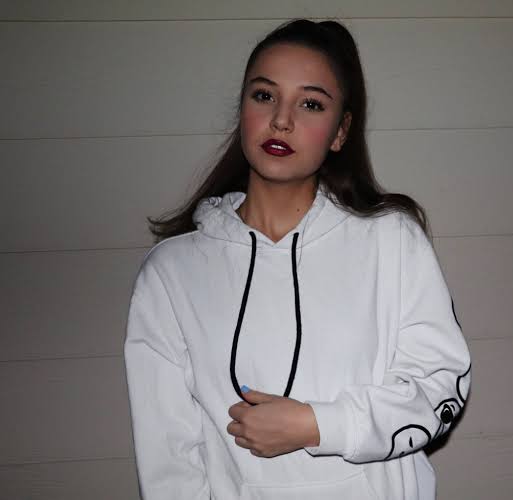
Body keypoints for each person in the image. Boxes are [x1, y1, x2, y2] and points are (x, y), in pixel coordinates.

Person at [124, 18, 471, 500]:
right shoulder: (172, 272)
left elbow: (439, 386)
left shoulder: (391, 239)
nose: (281, 120)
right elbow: (168, 460)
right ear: (242, 110)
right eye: (264, 95)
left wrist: (317, 425)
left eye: (310, 104)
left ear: (340, 131)